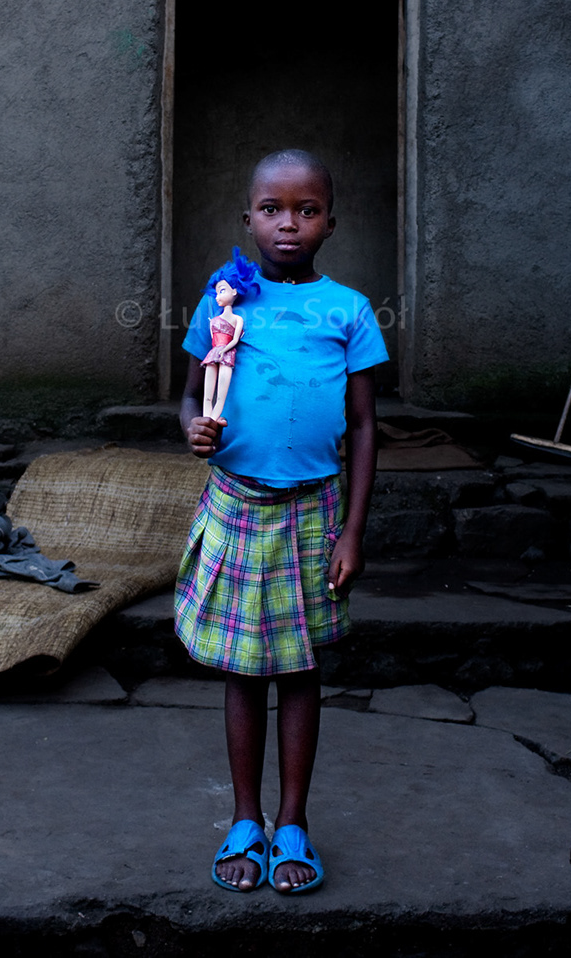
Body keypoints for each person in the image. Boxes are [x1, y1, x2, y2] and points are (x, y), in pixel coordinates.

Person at [175, 148, 387, 894]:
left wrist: (353, 532)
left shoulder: (349, 310)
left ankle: (292, 821)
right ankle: (245, 818)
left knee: (298, 670)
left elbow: (363, 427)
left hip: (313, 513)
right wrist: (193, 425)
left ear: (331, 221)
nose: (288, 224)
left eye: (306, 210)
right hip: (238, 503)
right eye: (272, 209)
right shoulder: (224, 301)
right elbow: (194, 392)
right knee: (241, 669)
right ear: (248, 219)